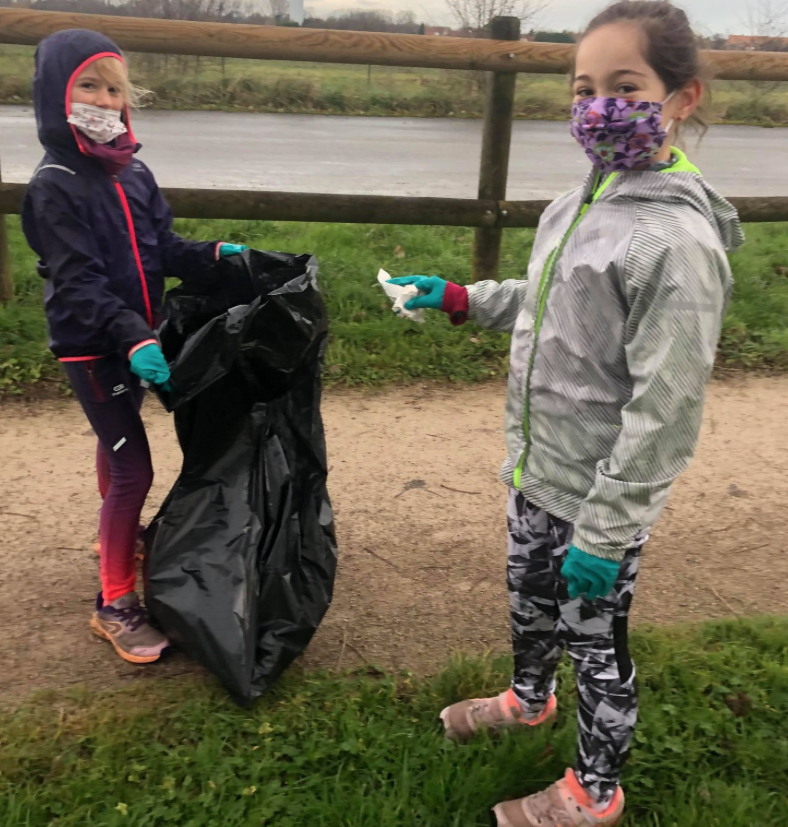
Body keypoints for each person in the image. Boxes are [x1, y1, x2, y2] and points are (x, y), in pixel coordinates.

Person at [390, 2, 743, 824]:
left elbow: (666, 408)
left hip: (599, 499)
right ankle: (528, 697)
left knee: (597, 644)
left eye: (625, 86)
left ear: (683, 96)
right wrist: (463, 298)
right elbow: (549, 300)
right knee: (529, 600)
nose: (597, 106)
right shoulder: (577, 202)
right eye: (584, 88)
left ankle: (595, 788)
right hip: (536, 466)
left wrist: (607, 531)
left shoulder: (675, 244)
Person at [22, 29, 248, 666]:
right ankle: (114, 601)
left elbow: (163, 249)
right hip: (93, 346)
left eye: (114, 89)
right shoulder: (54, 184)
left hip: (135, 338)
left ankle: (115, 539)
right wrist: (133, 337)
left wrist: (213, 255)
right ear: (57, 96)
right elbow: (78, 282)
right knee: (134, 469)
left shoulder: (134, 171)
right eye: (88, 87)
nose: (104, 100)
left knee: (116, 443)